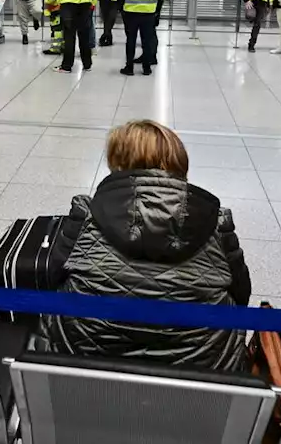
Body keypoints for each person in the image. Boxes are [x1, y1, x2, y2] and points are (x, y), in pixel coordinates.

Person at [38, 120, 252, 372]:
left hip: (85, 370)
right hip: (202, 379)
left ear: (117, 165)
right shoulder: (216, 222)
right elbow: (241, 295)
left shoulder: (86, 215)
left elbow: (51, 281)